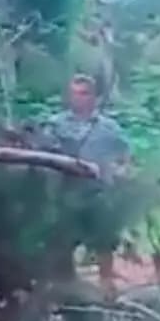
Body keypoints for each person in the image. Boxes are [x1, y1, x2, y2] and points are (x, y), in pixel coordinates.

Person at [43, 74, 132, 295]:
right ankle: (69, 289)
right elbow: (43, 153)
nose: (78, 98)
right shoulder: (56, 124)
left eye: (83, 93)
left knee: (104, 240)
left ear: (94, 97)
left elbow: (125, 154)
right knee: (63, 242)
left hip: (98, 192)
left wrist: (120, 173)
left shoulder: (108, 127)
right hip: (67, 192)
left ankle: (106, 285)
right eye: (74, 93)